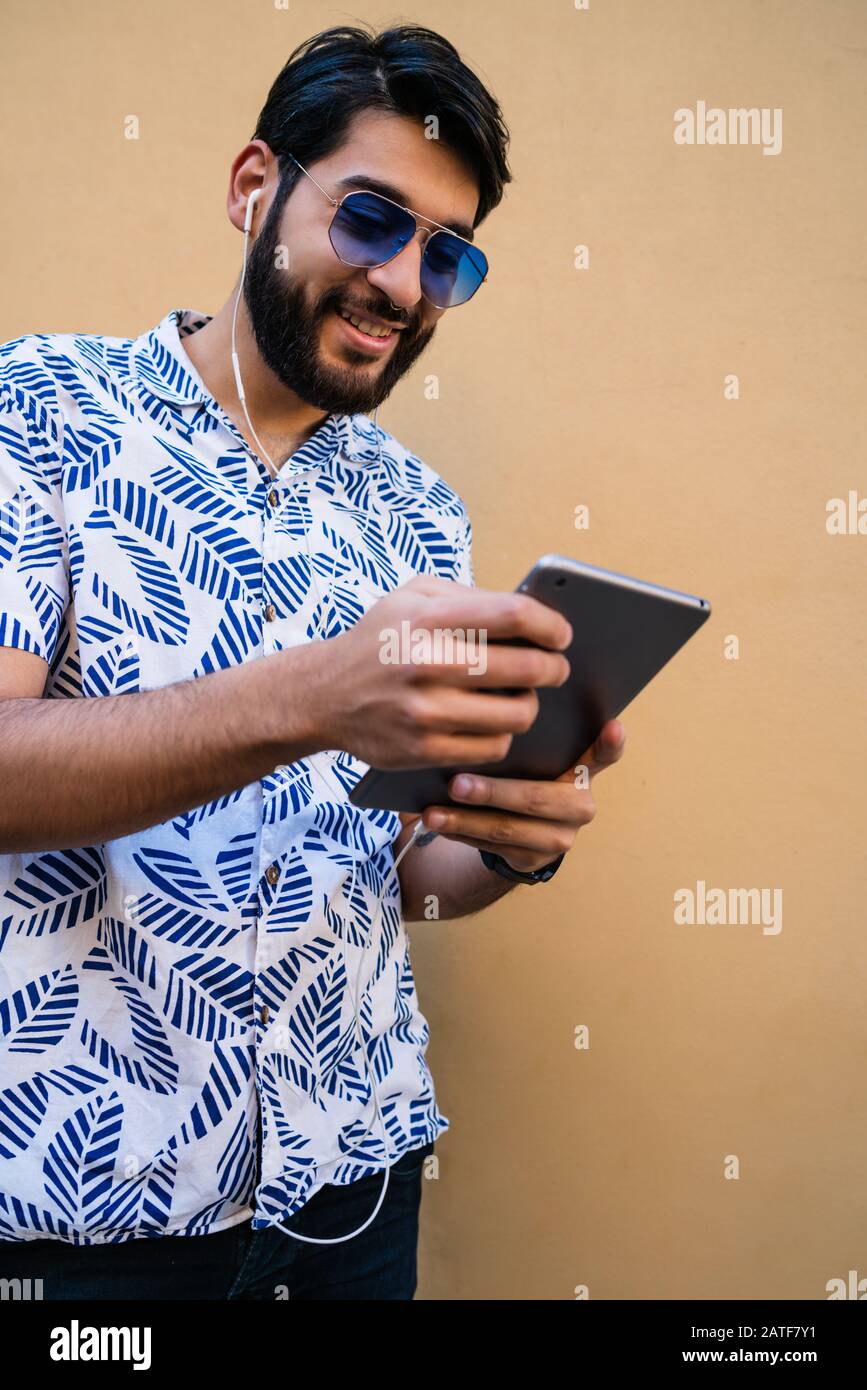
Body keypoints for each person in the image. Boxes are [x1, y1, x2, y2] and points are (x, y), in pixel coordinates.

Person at [0, 22, 625, 1300]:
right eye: (372, 221)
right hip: (85, 1220)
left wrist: (508, 841)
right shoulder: (37, 410)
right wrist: (316, 695)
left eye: (446, 255)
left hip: (353, 1186)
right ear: (253, 189)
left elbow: (401, 881)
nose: (404, 282)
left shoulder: (423, 516)